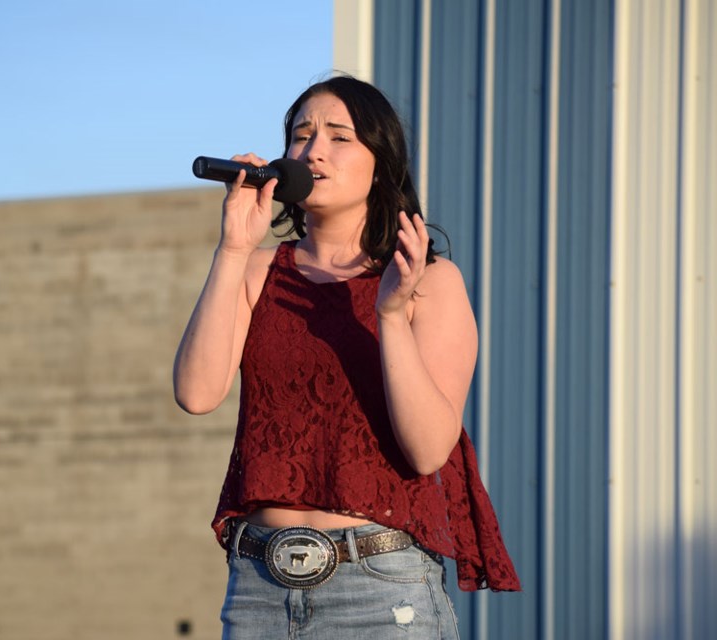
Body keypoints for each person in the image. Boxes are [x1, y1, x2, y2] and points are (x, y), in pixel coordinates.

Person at [174, 75, 519, 639]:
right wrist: (234, 247)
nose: (313, 151)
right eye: (301, 135)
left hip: (381, 587)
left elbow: (430, 448)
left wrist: (389, 315)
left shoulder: (430, 281)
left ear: (380, 165)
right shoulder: (257, 271)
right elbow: (195, 393)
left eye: (339, 137)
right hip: (259, 584)